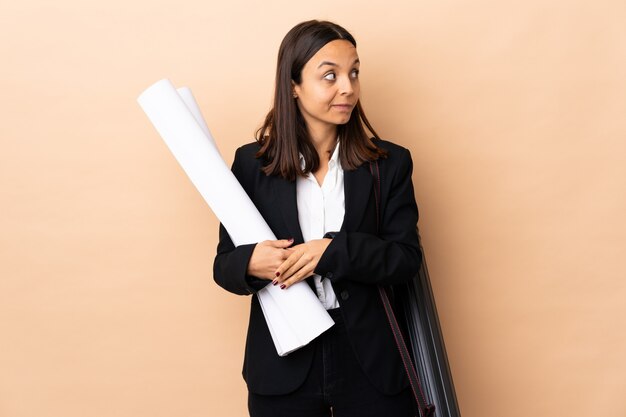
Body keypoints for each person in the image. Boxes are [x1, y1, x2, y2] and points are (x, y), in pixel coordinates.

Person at [213, 20, 422, 417]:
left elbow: (406, 259)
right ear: (293, 85)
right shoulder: (251, 165)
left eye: (354, 73)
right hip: (283, 360)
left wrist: (333, 251)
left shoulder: (389, 163)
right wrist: (251, 263)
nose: (348, 87)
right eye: (330, 76)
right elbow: (224, 265)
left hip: (371, 360)